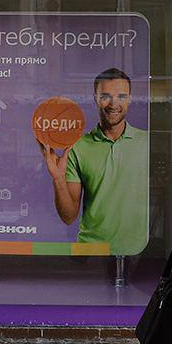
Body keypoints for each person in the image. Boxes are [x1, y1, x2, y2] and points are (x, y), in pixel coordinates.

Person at [39, 67, 149, 252]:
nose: (114, 104)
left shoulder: (148, 143)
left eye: (121, 96)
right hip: (91, 251)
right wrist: (58, 178)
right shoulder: (76, 147)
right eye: (105, 96)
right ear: (95, 99)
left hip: (138, 252)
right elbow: (68, 217)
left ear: (130, 99)